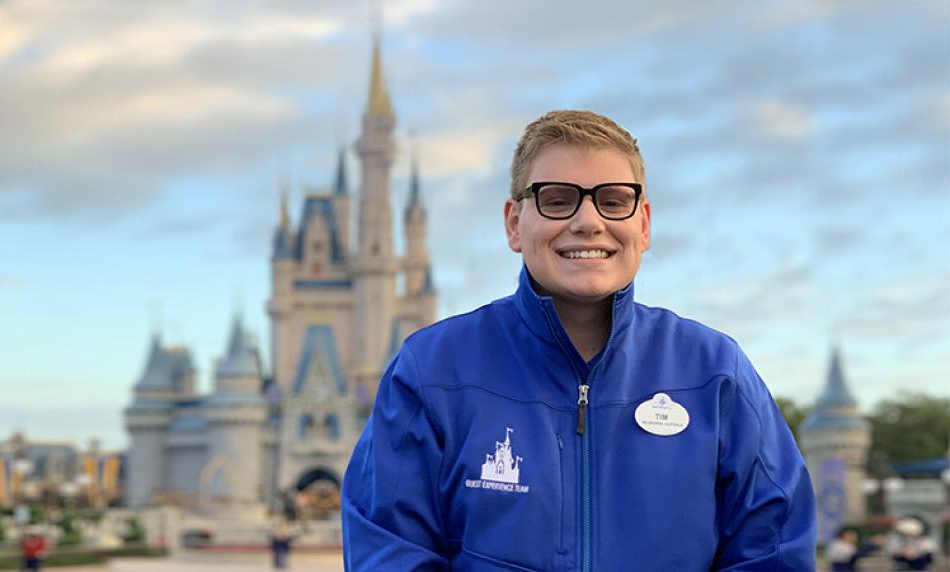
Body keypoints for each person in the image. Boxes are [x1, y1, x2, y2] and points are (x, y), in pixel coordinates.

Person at [342, 110, 817, 570]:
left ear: (644, 224)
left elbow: (773, 551)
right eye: (557, 198)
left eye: (612, 200)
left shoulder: (715, 374)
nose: (588, 221)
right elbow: (390, 549)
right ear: (514, 223)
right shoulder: (433, 372)